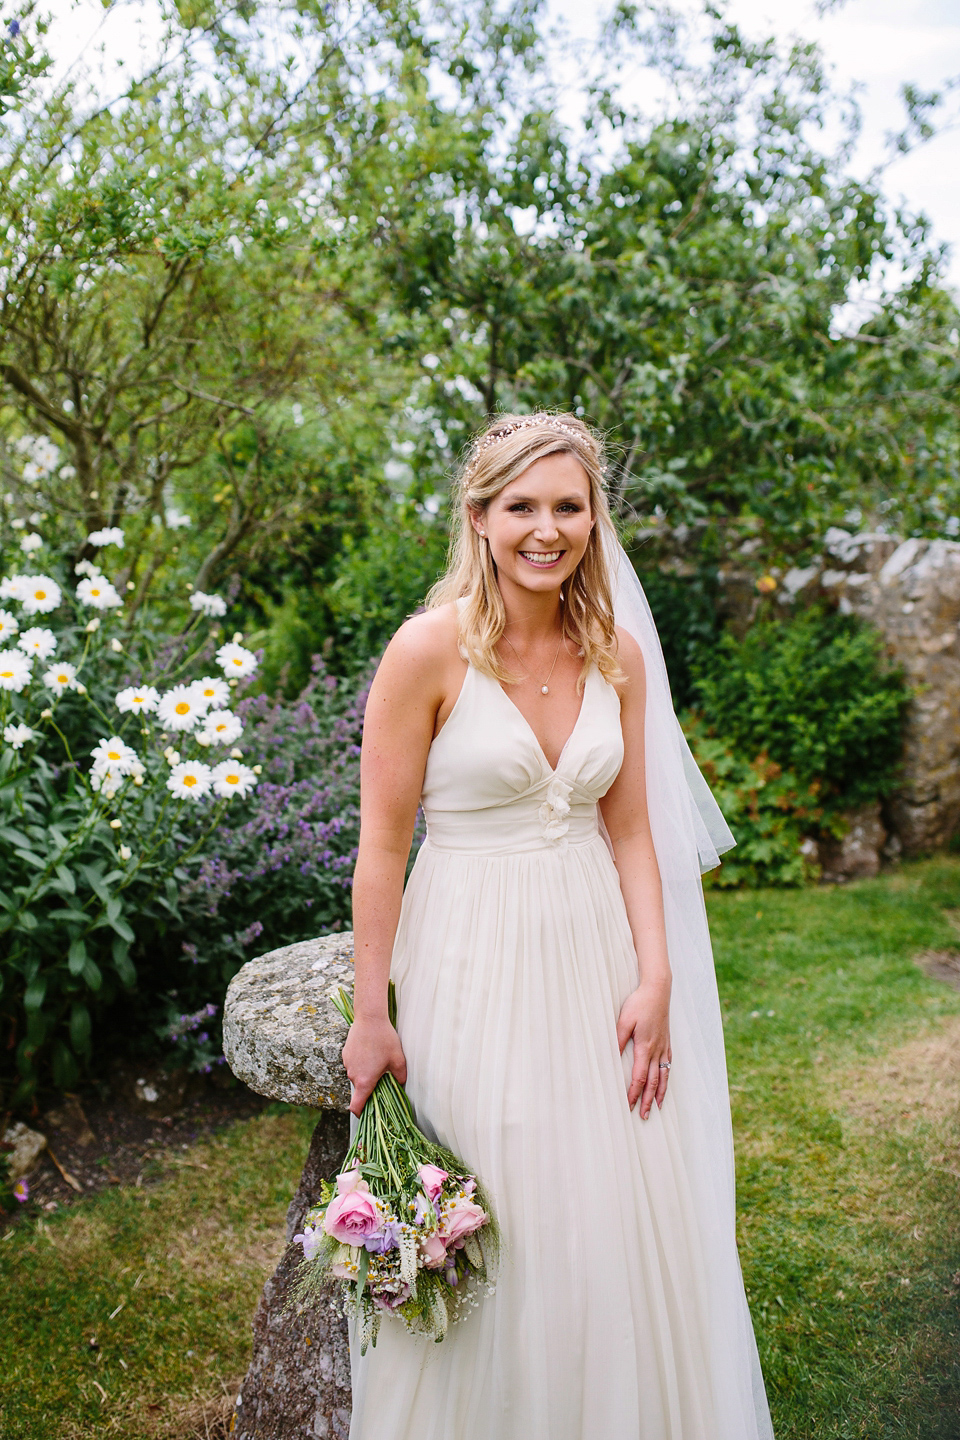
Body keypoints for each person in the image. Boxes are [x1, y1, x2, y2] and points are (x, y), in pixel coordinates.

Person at [341, 412, 774, 1439]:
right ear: (480, 516)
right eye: (522, 506)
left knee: (613, 1207)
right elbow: (379, 850)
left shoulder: (613, 650)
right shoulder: (426, 653)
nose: (548, 528)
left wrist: (657, 976)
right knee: (507, 1196)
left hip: (597, 951)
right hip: (470, 957)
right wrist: (372, 1013)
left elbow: (631, 834)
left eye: (568, 506)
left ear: (594, 517)